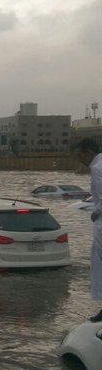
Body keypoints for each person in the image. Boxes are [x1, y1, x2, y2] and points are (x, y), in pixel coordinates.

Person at [76, 138, 102, 322]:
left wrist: (96, 212)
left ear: (88, 152)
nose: (79, 159)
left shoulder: (96, 169)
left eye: (80, 154)